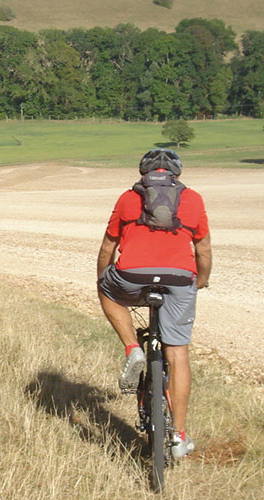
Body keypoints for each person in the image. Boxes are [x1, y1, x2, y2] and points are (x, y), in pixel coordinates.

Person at [97, 148, 212, 459]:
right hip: (179, 279)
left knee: (106, 291)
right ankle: (179, 435)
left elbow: (109, 244)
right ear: (177, 173)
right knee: (178, 353)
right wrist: (200, 281)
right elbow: (203, 249)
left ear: (143, 173)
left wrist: (103, 279)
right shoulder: (194, 199)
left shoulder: (127, 198)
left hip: (132, 276)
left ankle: (133, 349)